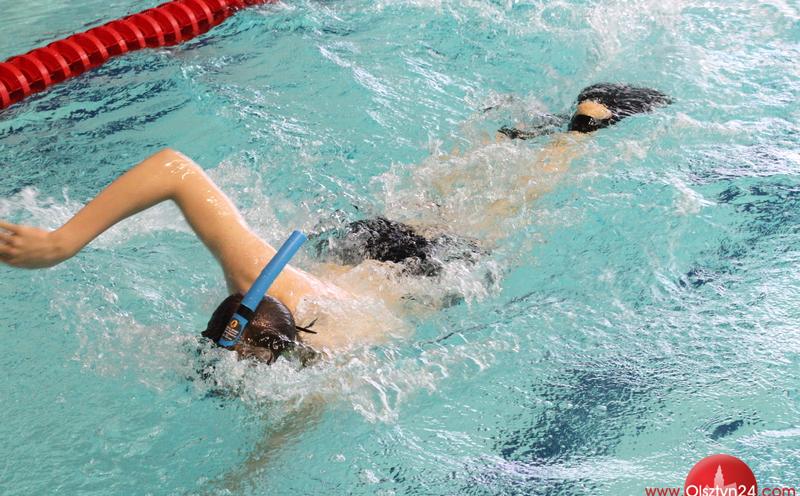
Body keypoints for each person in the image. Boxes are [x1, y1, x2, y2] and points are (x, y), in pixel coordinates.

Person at [0, 83, 670, 365]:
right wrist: (61, 241)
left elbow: (175, 165)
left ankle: (582, 129)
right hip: (364, 243)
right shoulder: (259, 279)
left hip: (428, 269)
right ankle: (510, 136)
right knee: (438, 198)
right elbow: (175, 170)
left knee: (504, 206)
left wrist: (61, 241)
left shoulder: (333, 351)